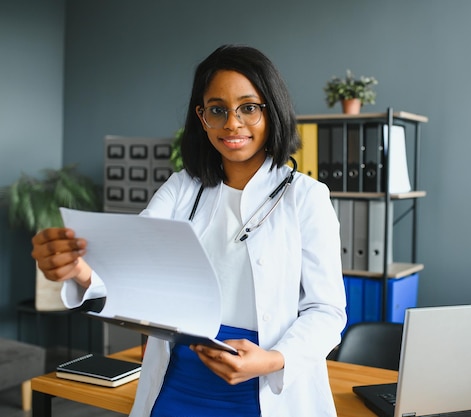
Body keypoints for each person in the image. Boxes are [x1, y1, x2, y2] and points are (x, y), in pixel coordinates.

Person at [31, 44, 347, 417]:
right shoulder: (183, 187)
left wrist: (274, 358)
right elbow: (134, 259)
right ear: (202, 117)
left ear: (271, 111)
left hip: (265, 386)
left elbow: (326, 311)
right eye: (218, 110)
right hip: (180, 381)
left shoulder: (306, 197)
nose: (232, 123)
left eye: (248, 107)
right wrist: (77, 269)